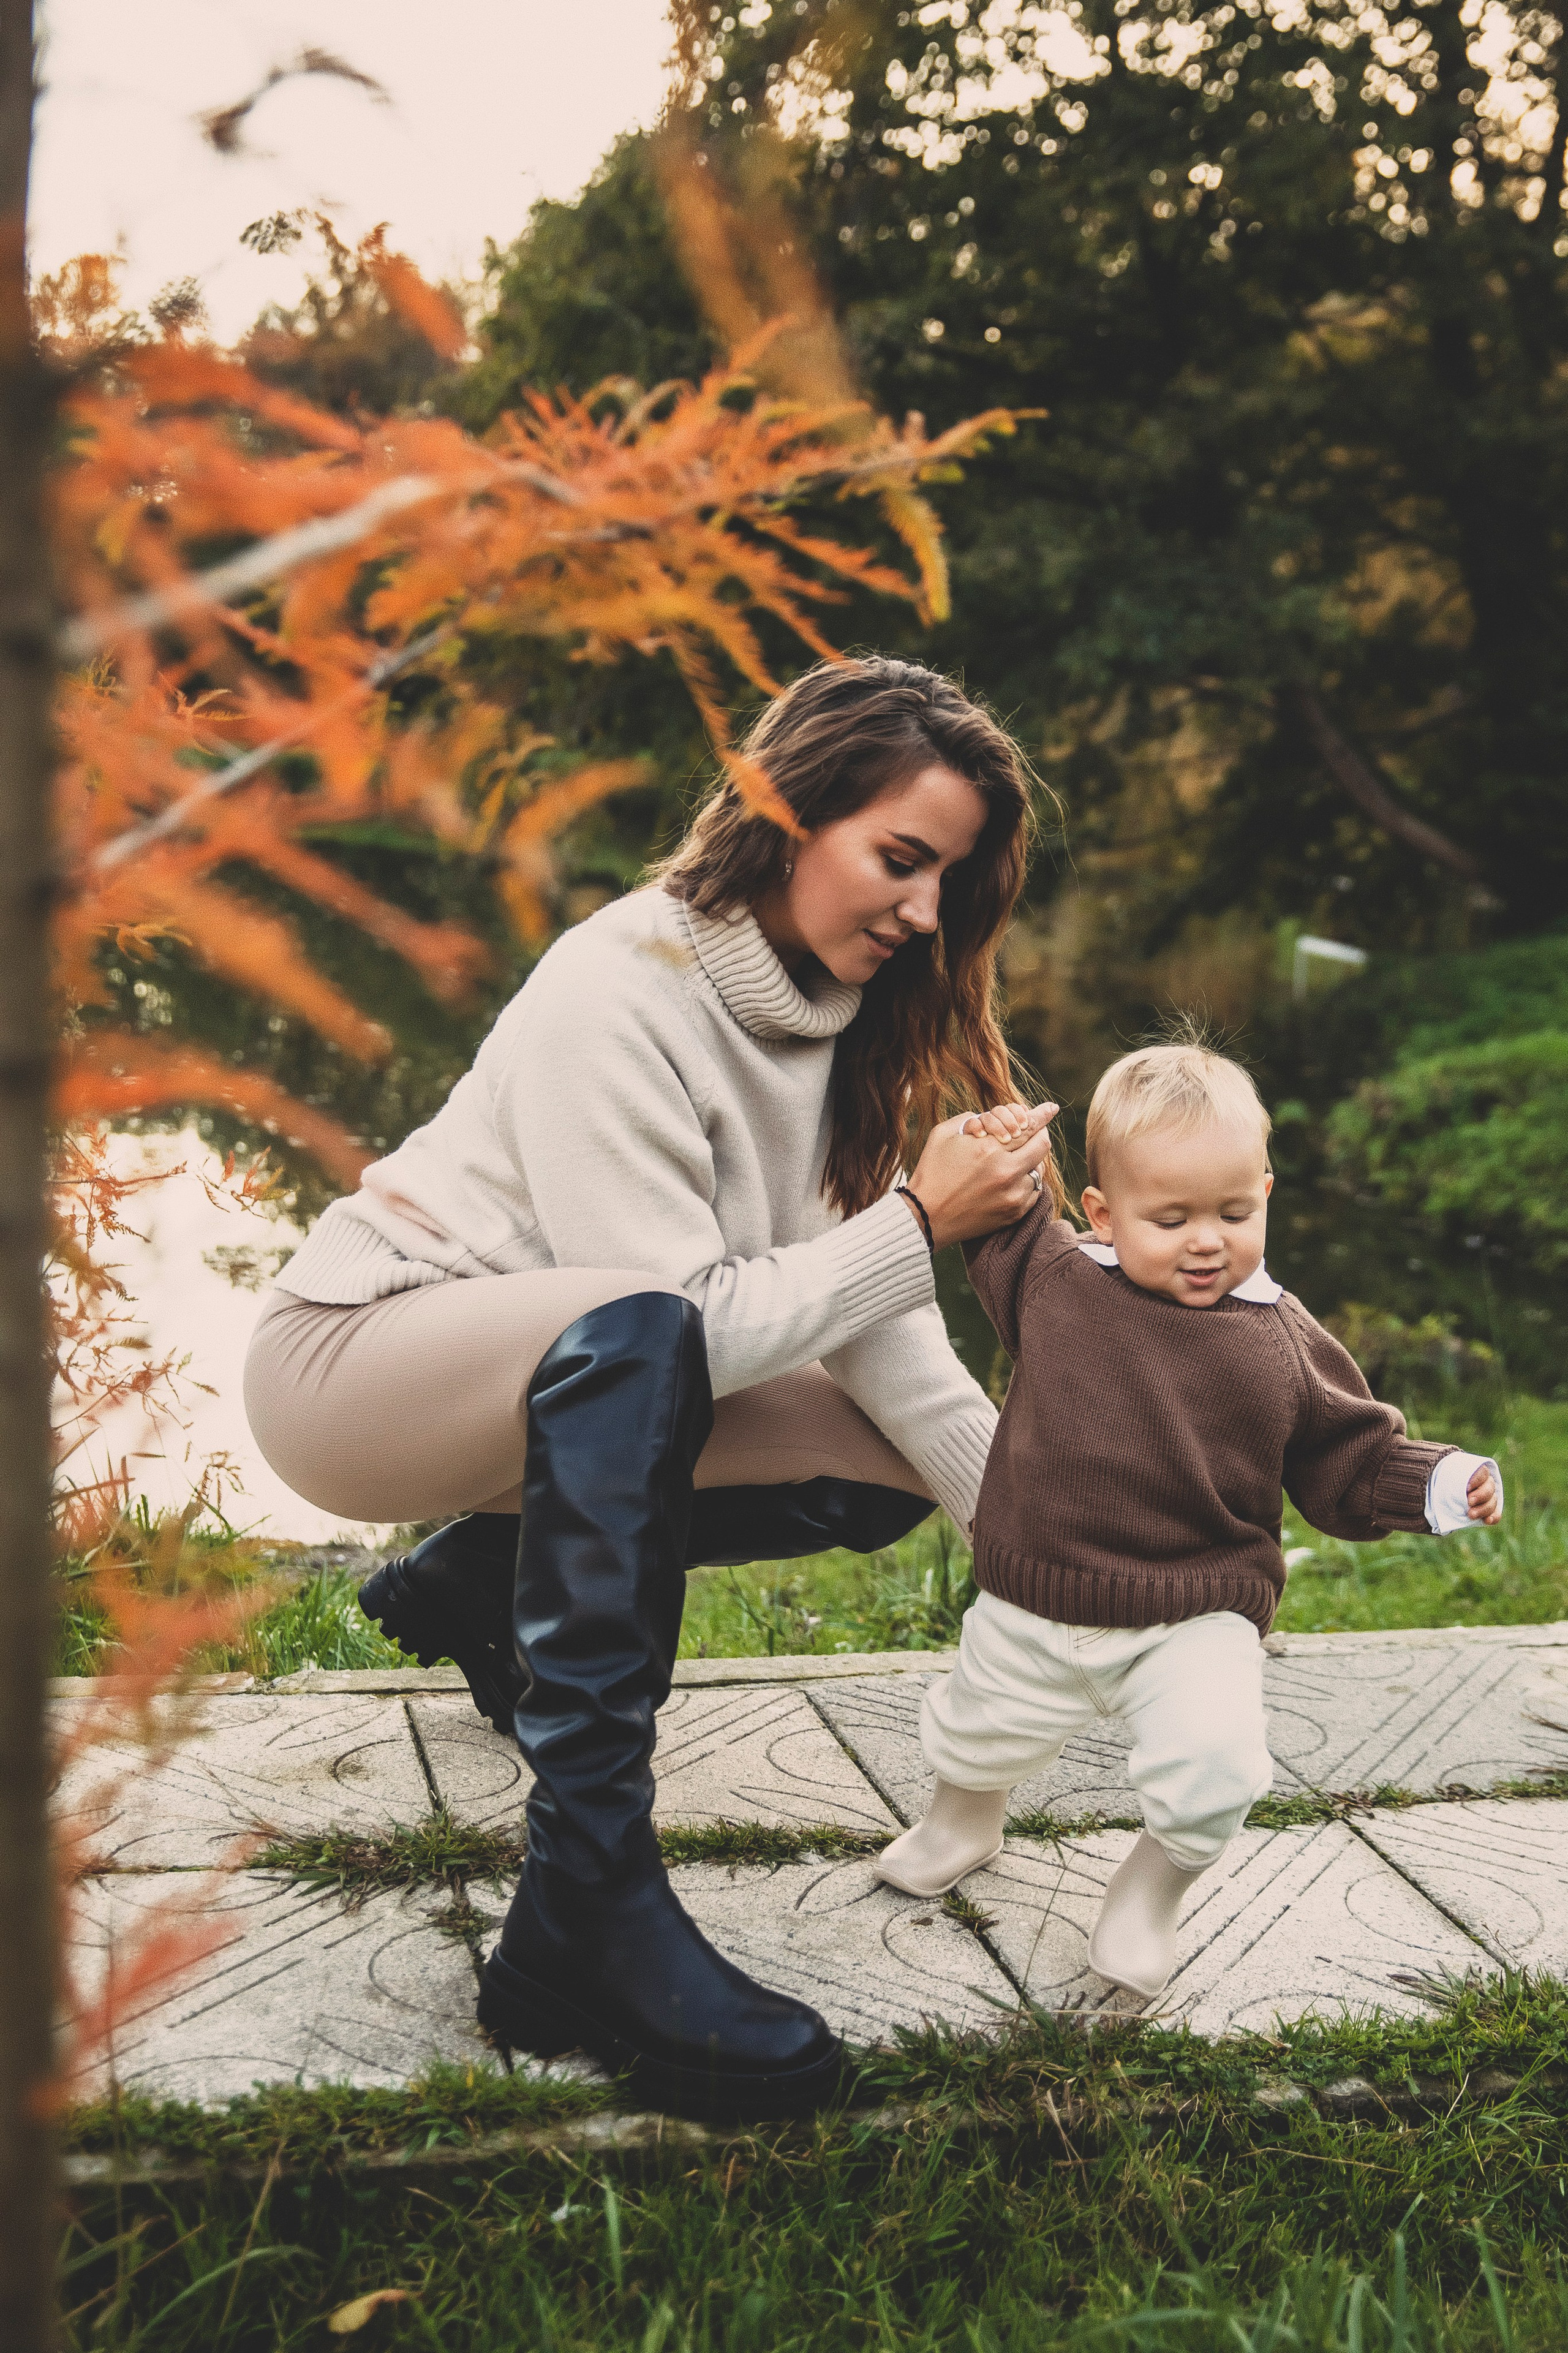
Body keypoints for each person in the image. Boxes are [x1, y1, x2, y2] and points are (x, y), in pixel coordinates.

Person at [244, 656, 1061, 2117]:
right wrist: (921, 1223)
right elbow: (676, 1326)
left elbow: (891, 1354)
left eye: (947, 879)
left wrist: (1085, 1557)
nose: (924, 913)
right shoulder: (626, 977)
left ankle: (484, 1583)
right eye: (899, 859)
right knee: (641, 1334)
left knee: (876, 1461)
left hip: (563, 1382)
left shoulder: (827, 1027)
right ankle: (585, 1904)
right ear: (790, 812)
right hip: (354, 1367)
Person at [874, 1037, 1503, 2002]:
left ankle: (1150, 1891)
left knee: (1217, 1766)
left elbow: (1351, 1457)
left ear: (1265, 1192)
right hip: (1038, 1590)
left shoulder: (1280, 1338)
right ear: (1102, 1213)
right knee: (976, 1729)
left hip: (1198, 1606)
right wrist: (997, 1148)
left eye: (1233, 1211)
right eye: (1168, 1218)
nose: (1205, 1239)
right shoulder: (1056, 1279)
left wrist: (1439, 1481)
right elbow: (994, 1224)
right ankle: (965, 1821)